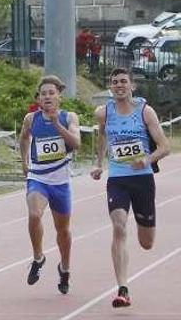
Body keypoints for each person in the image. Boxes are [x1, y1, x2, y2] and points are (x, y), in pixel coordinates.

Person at [91, 68, 170, 308]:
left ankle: (143, 224)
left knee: (147, 242)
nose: (119, 85)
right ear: (110, 87)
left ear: (132, 85)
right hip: (117, 179)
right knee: (118, 226)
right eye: (114, 82)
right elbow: (103, 137)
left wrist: (146, 160)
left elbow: (164, 146)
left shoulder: (145, 111)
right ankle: (123, 288)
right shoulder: (103, 112)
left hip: (143, 179)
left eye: (123, 81)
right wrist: (99, 164)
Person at [19, 75, 80, 294]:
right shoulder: (30, 119)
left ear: (59, 97)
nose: (47, 97)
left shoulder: (69, 117)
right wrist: (25, 161)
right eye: (43, 93)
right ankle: (38, 257)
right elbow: (24, 138)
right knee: (34, 214)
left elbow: (76, 143)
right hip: (38, 179)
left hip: (60, 182)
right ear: (38, 97)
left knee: (62, 231)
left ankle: (64, 268)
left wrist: (57, 125)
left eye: (51, 93)